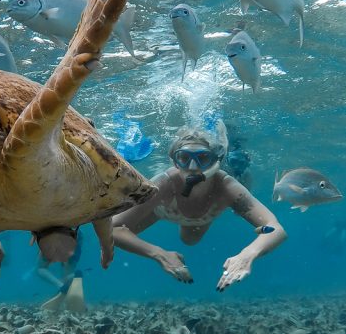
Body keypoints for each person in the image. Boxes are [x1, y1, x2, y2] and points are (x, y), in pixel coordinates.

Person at [111, 120, 287, 291]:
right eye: (184, 158)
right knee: (120, 237)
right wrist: (159, 254)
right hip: (161, 210)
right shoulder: (163, 185)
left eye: (203, 158)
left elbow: (276, 229)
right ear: (174, 162)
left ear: (215, 163)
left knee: (190, 241)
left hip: (200, 220)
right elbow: (113, 228)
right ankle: (156, 210)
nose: (193, 167)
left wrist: (247, 255)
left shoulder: (226, 187)